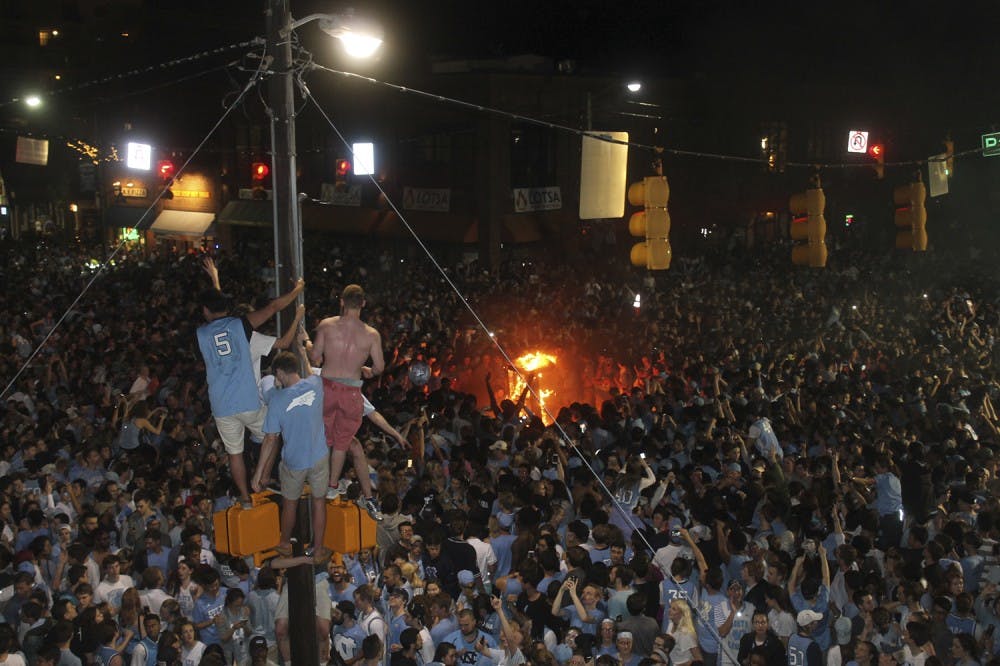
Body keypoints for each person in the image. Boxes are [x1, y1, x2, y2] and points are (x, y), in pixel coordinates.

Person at [196, 275, 304, 509]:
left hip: (221, 406)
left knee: (235, 454)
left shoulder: (201, 334)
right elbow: (274, 307)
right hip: (247, 401)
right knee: (273, 434)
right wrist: (297, 290)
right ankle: (263, 476)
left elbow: (215, 314)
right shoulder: (240, 326)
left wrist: (216, 279)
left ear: (205, 310)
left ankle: (245, 498)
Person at [307, 284, 384, 520]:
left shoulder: (327, 325)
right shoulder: (371, 334)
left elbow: (314, 357)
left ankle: (314, 477)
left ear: (341, 301)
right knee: (342, 442)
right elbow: (379, 368)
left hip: (327, 387)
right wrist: (367, 370)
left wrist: (309, 345)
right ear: (363, 304)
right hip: (351, 391)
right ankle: (331, 486)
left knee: (321, 435)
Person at [251, 348, 331, 562]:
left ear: (279, 372)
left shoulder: (276, 400)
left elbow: (270, 439)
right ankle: (319, 547)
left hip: (294, 461)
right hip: (320, 455)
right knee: (319, 502)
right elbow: (309, 368)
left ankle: (285, 543)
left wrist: (258, 473)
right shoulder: (316, 384)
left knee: (290, 503)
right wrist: (303, 351)